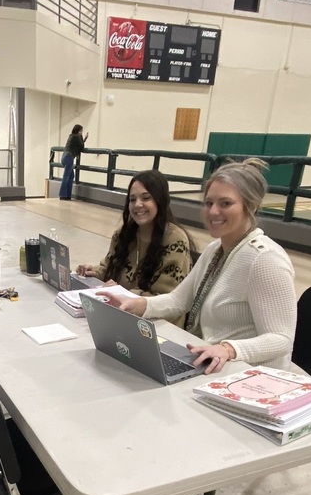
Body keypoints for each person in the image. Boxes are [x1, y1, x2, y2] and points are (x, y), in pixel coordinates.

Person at [103, 158, 296, 374]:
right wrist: (135, 304)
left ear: (251, 205)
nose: (213, 212)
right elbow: (178, 300)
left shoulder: (265, 260)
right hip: (213, 363)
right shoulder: (215, 250)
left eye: (225, 203)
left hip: (251, 375)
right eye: (208, 203)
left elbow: (281, 338)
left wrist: (229, 349)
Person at [75, 170, 193, 308]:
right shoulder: (123, 235)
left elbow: (167, 301)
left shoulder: (175, 241)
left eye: (146, 198)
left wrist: (120, 293)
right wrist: (94, 272)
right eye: (132, 200)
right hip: (121, 311)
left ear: (160, 200)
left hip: (156, 318)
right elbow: (109, 268)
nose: (137, 204)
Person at [59, 124, 88, 200]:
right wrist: (82, 137)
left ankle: (68, 195)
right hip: (69, 157)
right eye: (81, 131)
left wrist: (83, 139)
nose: (81, 132)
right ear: (79, 131)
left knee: (71, 176)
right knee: (66, 176)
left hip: (64, 157)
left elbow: (78, 144)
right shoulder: (76, 137)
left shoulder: (71, 136)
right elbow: (81, 147)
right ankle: (63, 195)